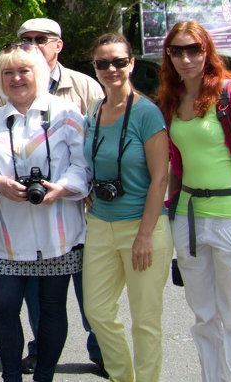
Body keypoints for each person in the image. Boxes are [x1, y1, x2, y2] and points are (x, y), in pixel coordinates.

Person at [0, 42, 89, 382]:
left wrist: (63, 188)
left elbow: (84, 166)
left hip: (58, 232)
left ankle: (44, 376)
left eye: (24, 71)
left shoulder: (67, 115)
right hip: (9, 234)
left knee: (51, 309)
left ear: (41, 73)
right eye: (8, 72)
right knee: (5, 306)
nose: (16, 78)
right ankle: (10, 377)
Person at [156, 21, 231, 382]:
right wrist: (170, 212)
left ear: (207, 51)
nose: (186, 58)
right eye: (177, 51)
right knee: (205, 317)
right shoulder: (172, 100)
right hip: (188, 219)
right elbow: (178, 165)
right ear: (168, 56)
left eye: (194, 50)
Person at [80, 33, 172, 382]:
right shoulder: (95, 110)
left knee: (145, 319)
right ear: (95, 68)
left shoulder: (146, 113)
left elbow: (160, 177)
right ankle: (123, 376)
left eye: (118, 61)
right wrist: (90, 187)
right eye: (102, 63)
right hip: (101, 223)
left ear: (131, 63)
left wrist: (146, 235)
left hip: (142, 226)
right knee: (98, 312)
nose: (111, 69)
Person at [15, 17, 103, 373]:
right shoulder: (12, 84)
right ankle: (40, 346)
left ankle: (101, 350)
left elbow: (100, 143)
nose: (33, 44)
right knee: (38, 288)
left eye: (41, 38)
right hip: (34, 209)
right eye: (25, 39)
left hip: (83, 204)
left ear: (58, 45)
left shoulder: (85, 87)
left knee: (92, 286)